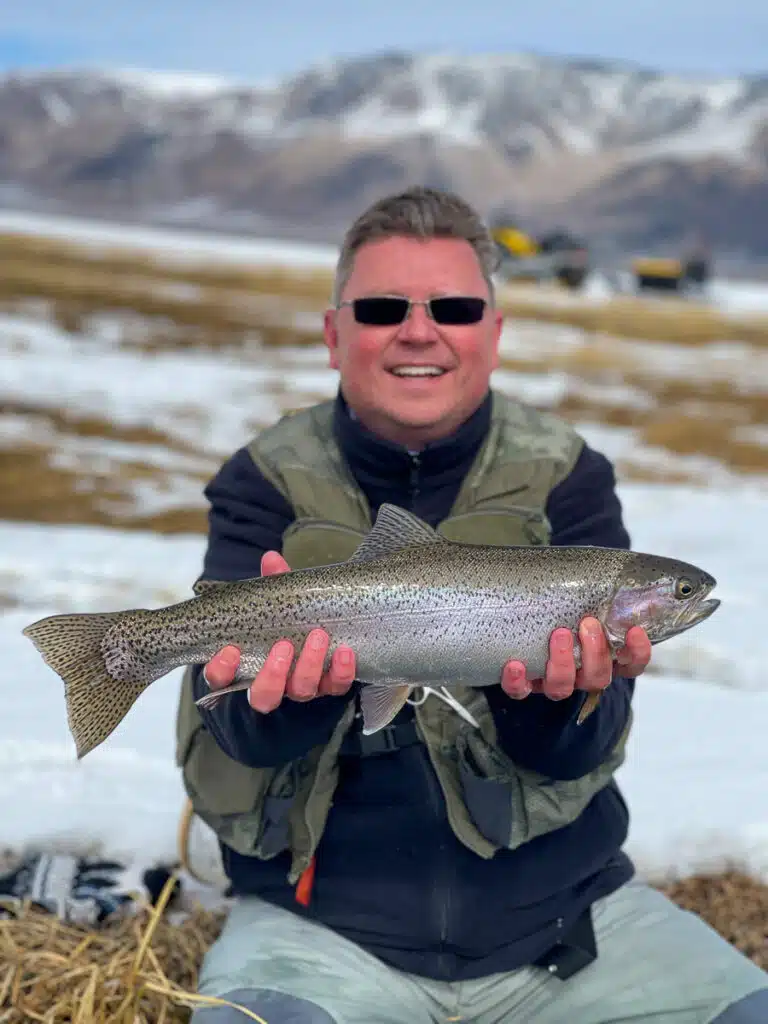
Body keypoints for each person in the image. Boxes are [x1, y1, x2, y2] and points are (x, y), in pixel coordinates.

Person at [177, 186, 767, 1023]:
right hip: (319, 933)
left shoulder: (569, 474)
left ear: (493, 334)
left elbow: (583, 751)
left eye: (453, 308)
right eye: (383, 308)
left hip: (571, 926)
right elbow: (229, 728)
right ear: (333, 334)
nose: (419, 332)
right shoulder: (262, 478)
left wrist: (554, 704)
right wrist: (289, 704)